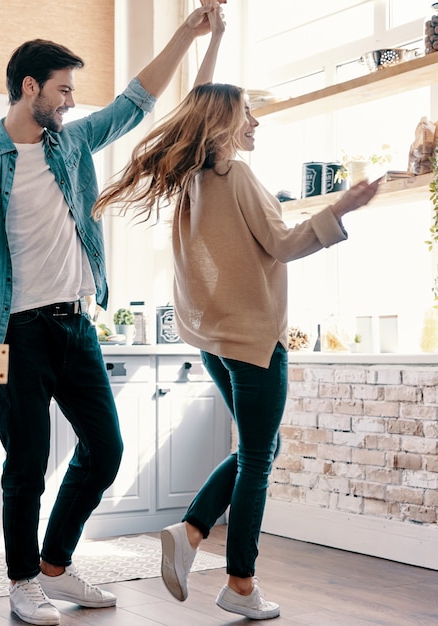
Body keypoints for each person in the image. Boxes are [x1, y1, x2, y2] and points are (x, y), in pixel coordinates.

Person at [0, 3, 226, 625]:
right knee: (25, 466)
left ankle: (55, 565)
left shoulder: (71, 143)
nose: (71, 101)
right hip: (19, 333)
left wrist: (187, 32)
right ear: (30, 87)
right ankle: (22, 582)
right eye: (63, 89)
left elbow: (136, 101)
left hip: (78, 325)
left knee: (104, 449)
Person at [92, 57, 381, 621]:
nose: (256, 123)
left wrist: (216, 32)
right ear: (224, 120)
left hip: (211, 338)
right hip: (252, 340)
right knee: (257, 459)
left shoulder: (190, 183)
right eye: (248, 113)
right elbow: (286, 244)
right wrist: (341, 207)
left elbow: (203, 94)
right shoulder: (236, 176)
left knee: (259, 449)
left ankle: (192, 528)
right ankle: (239, 583)